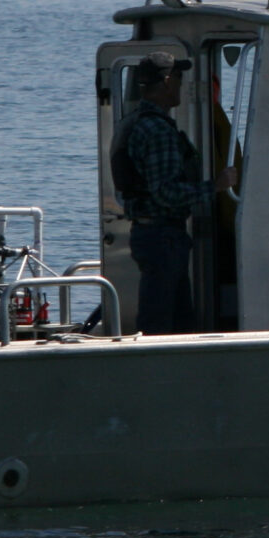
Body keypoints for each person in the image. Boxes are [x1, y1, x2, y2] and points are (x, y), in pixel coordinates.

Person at [112, 50, 204, 334]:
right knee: (161, 326)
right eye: (178, 77)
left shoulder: (140, 121)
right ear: (165, 81)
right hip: (163, 238)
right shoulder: (158, 131)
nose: (180, 84)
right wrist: (216, 187)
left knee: (175, 323)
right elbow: (165, 193)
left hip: (154, 235)